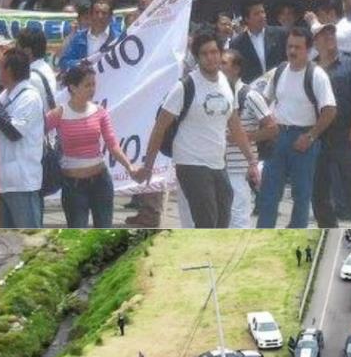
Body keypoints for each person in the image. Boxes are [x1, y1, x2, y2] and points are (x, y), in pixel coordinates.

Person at [135, 31, 257, 227]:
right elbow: (160, 127)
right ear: (197, 57)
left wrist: (251, 159)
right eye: (204, 53)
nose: (210, 57)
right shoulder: (185, 86)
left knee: (223, 221)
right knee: (206, 221)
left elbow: (234, 124)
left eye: (214, 52)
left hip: (218, 163)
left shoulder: (226, 83)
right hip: (191, 163)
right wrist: (148, 166)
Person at [256, 25, 338, 227]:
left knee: (301, 196)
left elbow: (330, 110)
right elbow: (264, 100)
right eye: (289, 46)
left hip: (304, 140)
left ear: (308, 50)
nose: (292, 51)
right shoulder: (280, 70)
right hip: (278, 138)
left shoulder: (317, 75)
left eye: (298, 47)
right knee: (268, 193)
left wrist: (311, 136)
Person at [45, 63, 137, 227]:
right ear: (73, 87)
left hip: (100, 181)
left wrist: (129, 167)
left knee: (104, 231)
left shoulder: (99, 112)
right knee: (76, 231)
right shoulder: (59, 113)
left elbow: (112, 144)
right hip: (73, 185)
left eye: (94, 84)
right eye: (87, 85)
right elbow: (35, 132)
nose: (92, 89)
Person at [311, 20, 351, 228]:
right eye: (324, 35)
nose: (329, 38)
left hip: (343, 133)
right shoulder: (311, 68)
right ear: (315, 41)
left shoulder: (350, 64)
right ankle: (327, 229)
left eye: (332, 33)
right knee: (319, 187)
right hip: (317, 135)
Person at [0, 48, 47, 227]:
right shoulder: (5, 95)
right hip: (3, 182)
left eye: (0, 67)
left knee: (28, 236)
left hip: (22, 182)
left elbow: (14, 132)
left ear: (9, 71)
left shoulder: (30, 97)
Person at [219, 49, 278, 227]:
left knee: (238, 217)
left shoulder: (250, 95)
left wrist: (242, 137)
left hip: (239, 169)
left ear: (236, 69)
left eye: (224, 63)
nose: (219, 67)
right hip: (218, 167)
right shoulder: (218, 93)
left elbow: (272, 128)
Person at [234, 0, 288, 83]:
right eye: (256, 14)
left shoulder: (280, 34)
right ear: (247, 18)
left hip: (280, 84)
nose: (262, 16)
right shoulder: (237, 43)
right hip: (254, 90)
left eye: (262, 12)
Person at [58, 0, 118, 71]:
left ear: (110, 17)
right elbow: (64, 62)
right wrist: (81, 64)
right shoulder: (78, 38)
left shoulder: (118, 38)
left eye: (104, 13)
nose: (100, 16)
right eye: (96, 13)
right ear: (91, 15)